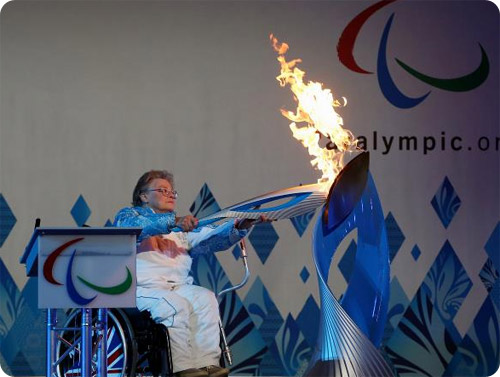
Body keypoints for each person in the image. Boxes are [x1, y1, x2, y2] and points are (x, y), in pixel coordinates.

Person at [114, 170, 262, 377]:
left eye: (172, 191)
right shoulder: (129, 216)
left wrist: (241, 224)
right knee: (175, 304)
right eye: (162, 190)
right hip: (142, 290)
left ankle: (208, 365)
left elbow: (212, 237)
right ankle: (181, 369)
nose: (170, 195)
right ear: (143, 196)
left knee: (205, 299)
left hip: (178, 287)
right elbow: (131, 228)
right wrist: (173, 222)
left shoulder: (180, 226)